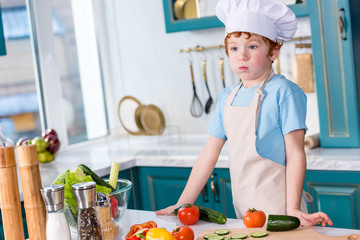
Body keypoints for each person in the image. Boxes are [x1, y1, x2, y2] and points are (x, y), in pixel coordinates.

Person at [157, 0, 333, 227]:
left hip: (283, 209)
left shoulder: (284, 92)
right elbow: (208, 155)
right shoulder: (226, 97)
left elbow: (296, 154)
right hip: (245, 211)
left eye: (252, 46)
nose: (242, 55)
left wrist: (293, 209)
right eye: (234, 48)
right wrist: (182, 204)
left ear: (274, 51)